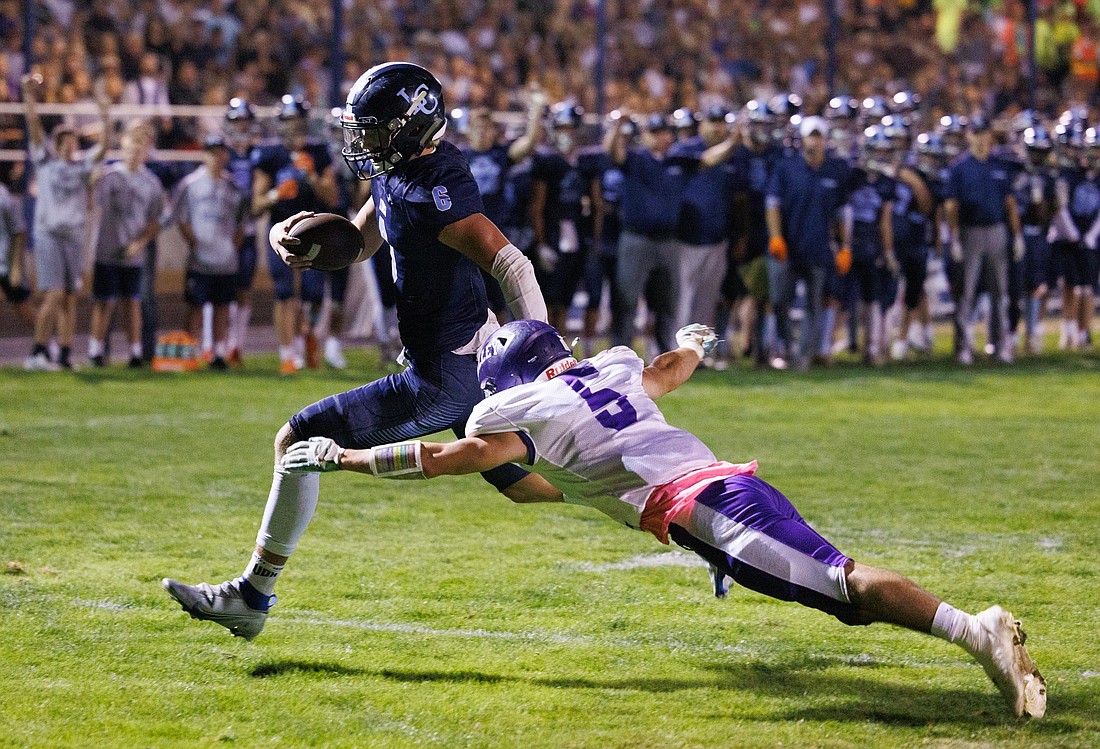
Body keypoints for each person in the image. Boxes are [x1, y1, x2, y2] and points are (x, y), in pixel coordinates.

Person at [275, 318, 1043, 720]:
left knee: (844, 586)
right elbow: (659, 380)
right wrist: (693, 344)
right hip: (722, 487)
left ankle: (981, 631)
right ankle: (973, 632)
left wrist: (337, 458)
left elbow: (448, 459)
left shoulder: (518, 411)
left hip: (710, 505)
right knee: (838, 596)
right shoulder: (606, 373)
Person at [163, 62, 549, 637]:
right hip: (464, 358)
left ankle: (251, 595)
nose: (361, 141)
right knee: (528, 486)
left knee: (297, 439)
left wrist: (544, 355)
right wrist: (294, 240)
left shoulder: (433, 188)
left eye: (373, 128)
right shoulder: (401, 171)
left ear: (409, 125)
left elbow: (510, 263)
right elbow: (361, 240)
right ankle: (667, 507)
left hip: (448, 372)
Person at [22, 73, 109, 371]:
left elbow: (104, 146)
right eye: (64, 140)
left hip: (73, 235)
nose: (69, 144)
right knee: (55, 293)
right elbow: (34, 130)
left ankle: (65, 353)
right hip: (49, 234)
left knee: (71, 298)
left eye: (73, 140)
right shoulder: (46, 163)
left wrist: (104, 111)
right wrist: (29, 98)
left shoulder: (82, 167)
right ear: (57, 143)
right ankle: (38, 351)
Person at [251, 94, 339, 374]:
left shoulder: (318, 152)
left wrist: (311, 176)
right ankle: (287, 353)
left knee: (314, 293)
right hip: (283, 228)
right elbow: (256, 203)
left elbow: (333, 197)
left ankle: (308, 335)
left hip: (314, 228)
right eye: (289, 120)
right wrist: (277, 194)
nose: (293, 126)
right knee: (284, 292)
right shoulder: (271, 155)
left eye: (298, 121)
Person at [766, 116, 852, 370]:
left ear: (826, 139)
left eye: (818, 135)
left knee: (815, 303)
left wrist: (845, 246)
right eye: (810, 135)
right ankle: (783, 348)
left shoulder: (836, 169)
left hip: (818, 247)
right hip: (788, 247)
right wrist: (775, 237)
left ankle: (805, 353)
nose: (814, 140)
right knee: (781, 299)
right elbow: (772, 205)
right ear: (801, 138)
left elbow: (843, 213)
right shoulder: (786, 168)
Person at [944, 116, 1025, 365]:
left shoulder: (999, 165)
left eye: (983, 133)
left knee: (999, 292)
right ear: (968, 136)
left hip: (997, 230)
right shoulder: (959, 167)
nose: (980, 138)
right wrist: (954, 237)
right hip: (970, 231)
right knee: (966, 293)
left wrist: (1017, 235)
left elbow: (1010, 204)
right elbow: (951, 206)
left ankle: (1000, 346)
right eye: (975, 133)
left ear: (990, 135)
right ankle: (963, 347)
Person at [88, 120, 164, 368]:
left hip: (133, 252)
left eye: (138, 149)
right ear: (123, 148)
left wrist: (139, 244)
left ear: (144, 152)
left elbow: (155, 220)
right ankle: (96, 349)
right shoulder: (110, 177)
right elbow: (93, 202)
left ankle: (135, 351)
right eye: (130, 149)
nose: (133, 154)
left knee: (133, 302)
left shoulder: (151, 182)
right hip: (108, 249)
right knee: (104, 301)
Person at [169, 135, 248, 370]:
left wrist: (231, 247)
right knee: (195, 305)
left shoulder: (233, 186)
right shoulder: (191, 184)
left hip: (224, 259)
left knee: (222, 306)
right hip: (201, 258)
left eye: (220, 152)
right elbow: (181, 219)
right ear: (204, 155)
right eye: (211, 152)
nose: (216, 157)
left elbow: (242, 222)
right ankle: (190, 351)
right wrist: (195, 243)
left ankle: (217, 352)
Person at [0, 171, 34, 329]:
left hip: (5, 265)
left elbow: (19, 232)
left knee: (24, 309)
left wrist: (16, 268)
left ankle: (47, 346)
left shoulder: (3, 197)